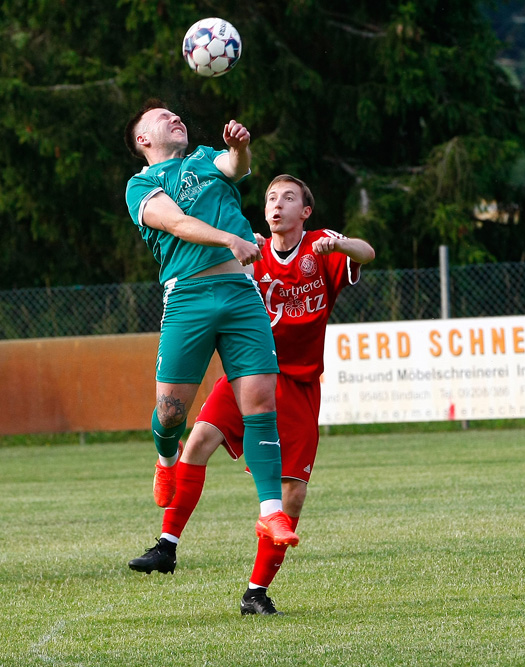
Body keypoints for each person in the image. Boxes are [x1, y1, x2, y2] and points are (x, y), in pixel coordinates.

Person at [128, 174, 375, 616]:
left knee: (293, 494)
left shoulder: (321, 246)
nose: (277, 205)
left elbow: (368, 252)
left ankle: (255, 592)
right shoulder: (248, 251)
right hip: (248, 372)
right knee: (200, 438)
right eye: (270, 198)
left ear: (306, 211)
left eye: (289, 198)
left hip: (297, 384)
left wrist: (339, 247)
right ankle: (166, 545)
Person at [123, 99, 299, 549]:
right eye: (162, 117)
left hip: (241, 294)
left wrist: (239, 147)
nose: (174, 117)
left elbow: (236, 167)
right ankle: (166, 458)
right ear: (144, 139)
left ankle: (272, 513)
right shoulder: (141, 184)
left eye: (176, 113)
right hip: (189, 297)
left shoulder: (204, 157)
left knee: (259, 404)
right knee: (170, 412)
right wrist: (231, 239)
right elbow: (178, 223)